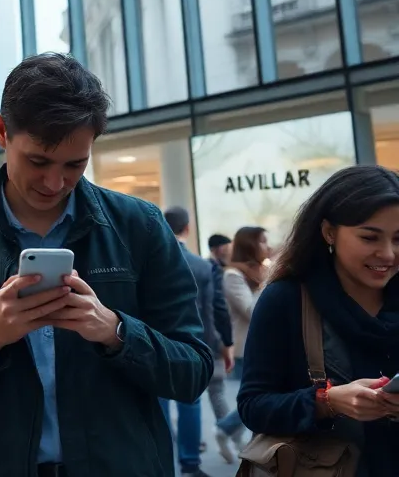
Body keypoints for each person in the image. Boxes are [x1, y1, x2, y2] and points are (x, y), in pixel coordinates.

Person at [0, 53, 212, 476]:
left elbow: (193, 371)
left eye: (75, 164)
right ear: (2, 132)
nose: (54, 183)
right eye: (38, 161)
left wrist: (116, 331)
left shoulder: (138, 226)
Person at [237, 165, 399, 477]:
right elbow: (253, 406)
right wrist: (326, 401)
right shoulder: (286, 300)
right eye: (369, 237)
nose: (388, 254)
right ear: (329, 232)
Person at [162, 207, 235, 477]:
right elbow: (216, 308)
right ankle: (190, 464)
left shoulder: (147, 261)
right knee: (189, 402)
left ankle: (160, 462)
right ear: (188, 229)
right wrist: (224, 343)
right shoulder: (202, 266)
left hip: (152, 340)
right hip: (190, 343)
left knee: (158, 405)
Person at [213, 225, 270, 445]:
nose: (267, 245)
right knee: (258, 397)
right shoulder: (232, 275)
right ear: (250, 245)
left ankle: (229, 430)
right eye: (262, 241)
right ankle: (226, 428)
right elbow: (252, 311)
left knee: (262, 396)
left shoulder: (257, 272)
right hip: (246, 346)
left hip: (264, 344)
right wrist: (268, 283)